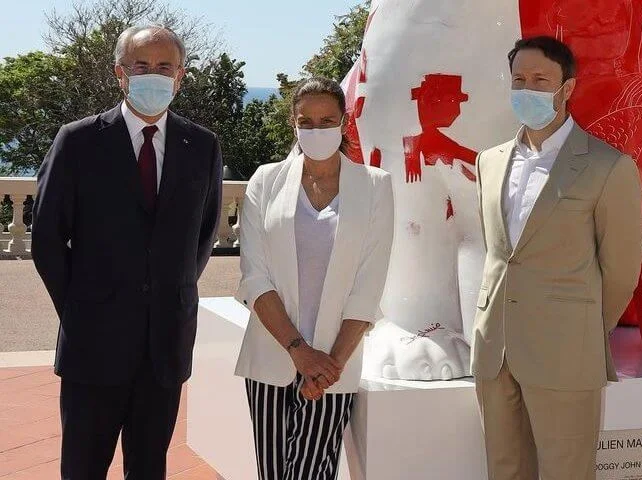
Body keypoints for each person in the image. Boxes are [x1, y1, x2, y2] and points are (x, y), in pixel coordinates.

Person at [31, 25, 222, 479]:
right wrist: (80, 308)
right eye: (142, 66)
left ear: (180, 77)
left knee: (149, 467)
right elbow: (47, 240)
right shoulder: (77, 141)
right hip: (93, 343)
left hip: (164, 347)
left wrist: (167, 297)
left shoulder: (203, 146)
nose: (153, 75)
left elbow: (203, 235)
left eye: (164, 67)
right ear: (120, 73)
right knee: (82, 467)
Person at [472, 36, 642, 480]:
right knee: (504, 469)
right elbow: (500, 256)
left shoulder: (608, 167)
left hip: (566, 353)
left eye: (540, 79)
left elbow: (621, 270)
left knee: (566, 472)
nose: (527, 89)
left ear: (567, 88)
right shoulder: (488, 162)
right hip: (495, 352)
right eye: (519, 80)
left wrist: (578, 329)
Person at [235, 77, 394, 480]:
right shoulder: (265, 181)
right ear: (293, 122)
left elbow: (369, 283)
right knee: (272, 473)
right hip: (272, 359)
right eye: (306, 121)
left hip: (334, 364)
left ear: (344, 122)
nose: (316, 130)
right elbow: (255, 277)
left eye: (327, 121)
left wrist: (329, 364)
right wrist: (298, 352)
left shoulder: (376, 186)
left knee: (313, 473)